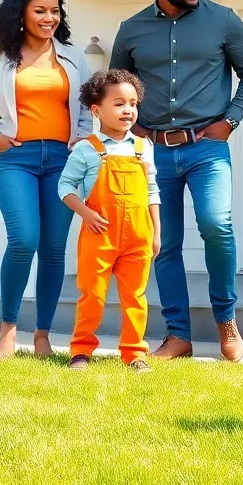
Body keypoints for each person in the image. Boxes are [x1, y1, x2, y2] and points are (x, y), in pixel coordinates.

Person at [110, 0, 243, 362]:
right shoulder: (132, 29)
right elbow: (117, 86)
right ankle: (177, 334)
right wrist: (134, 131)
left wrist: (229, 121)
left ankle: (226, 320)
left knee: (217, 224)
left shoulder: (223, 21)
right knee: (164, 243)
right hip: (152, 153)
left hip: (206, 149)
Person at [0, 0, 92, 360]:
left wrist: (82, 137)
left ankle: (42, 334)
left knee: (54, 248)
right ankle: (7, 329)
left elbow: (85, 107)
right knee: (23, 240)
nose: (49, 18)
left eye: (55, 11)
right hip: (14, 159)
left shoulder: (73, 55)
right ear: (20, 12)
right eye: (40, 10)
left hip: (62, 161)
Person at [58, 69, 161, 372]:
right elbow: (64, 187)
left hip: (138, 234)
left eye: (132, 103)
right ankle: (81, 350)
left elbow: (153, 191)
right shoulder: (86, 149)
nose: (128, 110)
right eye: (118, 104)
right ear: (96, 110)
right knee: (92, 294)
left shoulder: (143, 147)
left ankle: (134, 354)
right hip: (98, 233)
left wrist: (157, 232)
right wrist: (86, 213)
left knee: (135, 297)